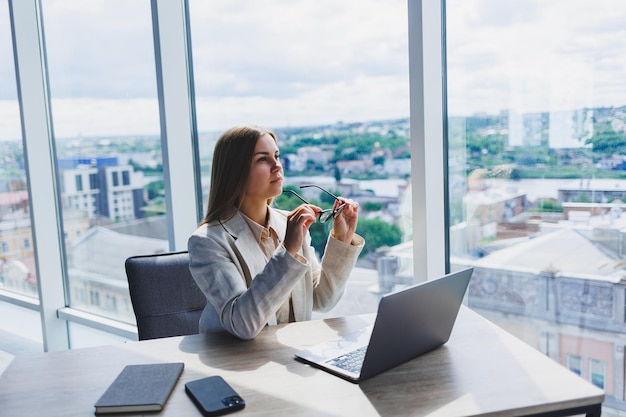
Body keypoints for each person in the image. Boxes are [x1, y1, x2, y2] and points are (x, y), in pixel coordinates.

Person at [188, 125, 364, 340]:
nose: (277, 166)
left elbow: (322, 299)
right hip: (235, 362)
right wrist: (288, 251)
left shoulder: (289, 224)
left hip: (292, 356)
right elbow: (242, 324)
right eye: (263, 159)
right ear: (235, 171)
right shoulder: (207, 242)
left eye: (277, 156)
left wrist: (342, 240)